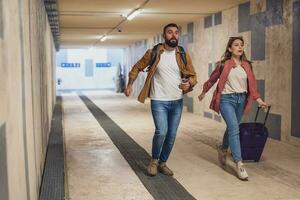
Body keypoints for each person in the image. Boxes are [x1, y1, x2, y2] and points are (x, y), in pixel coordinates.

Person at [124, 23, 197, 176]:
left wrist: (189, 83)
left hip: (177, 101)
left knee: (172, 135)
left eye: (176, 33)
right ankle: (154, 161)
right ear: (164, 35)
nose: (173, 35)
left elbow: (192, 75)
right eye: (170, 32)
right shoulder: (154, 52)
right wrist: (130, 84)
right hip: (159, 100)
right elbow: (137, 67)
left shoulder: (183, 54)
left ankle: (163, 163)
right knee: (161, 131)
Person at [198, 36, 268, 180]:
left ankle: (223, 149)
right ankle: (239, 163)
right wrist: (204, 92)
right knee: (234, 129)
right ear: (230, 49)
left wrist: (259, 100)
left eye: (241, 45)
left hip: (240, 100)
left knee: (232, 127)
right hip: (226, 99)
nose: (240, 47)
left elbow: (252, 86)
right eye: (236, 45)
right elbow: (212, 79)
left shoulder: (247, 65)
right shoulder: (224, 64)